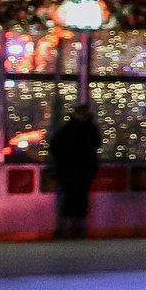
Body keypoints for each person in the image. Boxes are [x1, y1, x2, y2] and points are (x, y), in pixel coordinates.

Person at [48, 101, 102, 240]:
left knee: (72, 197)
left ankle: (68, 227)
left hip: (71, 169)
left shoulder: (67, 130)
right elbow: (95, 147)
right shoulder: (90, 130)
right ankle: (75, 227)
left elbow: (55, 147)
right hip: (79, 169)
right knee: (78, 197)